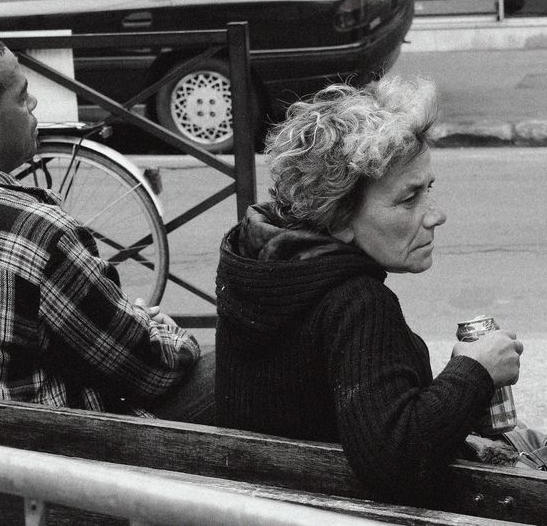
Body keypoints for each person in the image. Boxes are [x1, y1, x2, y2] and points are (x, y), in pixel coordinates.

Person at [214, 74, 524, 504]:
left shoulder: (259, 267)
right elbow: (394, 459)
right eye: (408, 198)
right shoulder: (358, 304)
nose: (436, 216)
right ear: (339, 217)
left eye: (428, 189)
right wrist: (476, 373)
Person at [0, 33, 212, 422]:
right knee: (228, 371)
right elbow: (150, 370)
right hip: (41, 462)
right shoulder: (38, 232)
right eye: (22, 97)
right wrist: (164, 331)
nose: (33, 104)